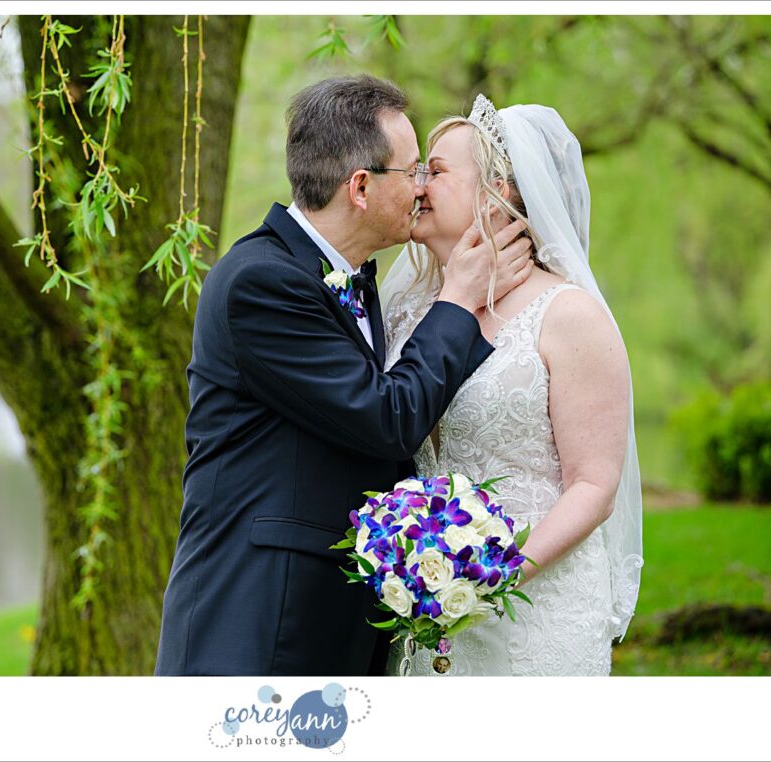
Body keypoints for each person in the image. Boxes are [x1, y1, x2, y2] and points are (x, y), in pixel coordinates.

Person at [154, 76, 533, 676]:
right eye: (412, 170)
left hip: (329, 622)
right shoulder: (260, 283)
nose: (422, 187)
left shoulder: (350, 279)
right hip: (259, 624)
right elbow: (387, 419)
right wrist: (459, 298)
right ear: (360, 187)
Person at [381, 95, 644, 676]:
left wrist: (492, 577)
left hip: (537, 612)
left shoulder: (567, 315)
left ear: (496, 192)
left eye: (436, 171)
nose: (417, 185)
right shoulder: (403, 313)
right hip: (425, 610)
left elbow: (594, 485)